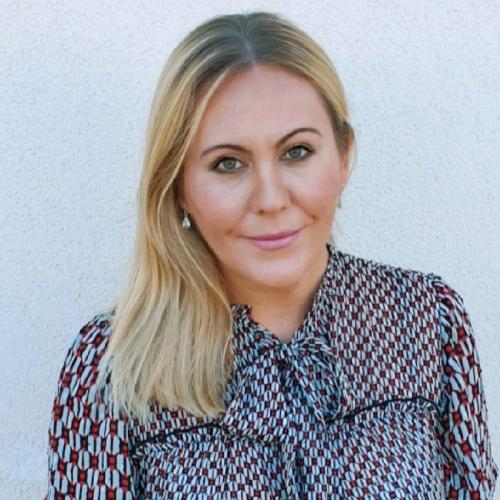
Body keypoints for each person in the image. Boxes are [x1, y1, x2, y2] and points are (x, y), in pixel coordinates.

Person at [46, 11, 498, 499]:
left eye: (296, 152)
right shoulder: (113, 366)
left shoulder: (426, 320)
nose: (270, 198)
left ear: (344, 157)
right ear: (178, 188)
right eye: (228, 163)